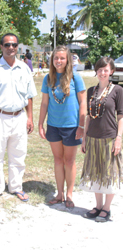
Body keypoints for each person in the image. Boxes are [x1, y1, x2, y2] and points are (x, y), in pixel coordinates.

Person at [0, 33, 37, 202]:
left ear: (17, 47)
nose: (11, 47)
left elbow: (29, 96)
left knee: (18, 154)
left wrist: (30, 118)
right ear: (1, 47)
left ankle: (16, 187)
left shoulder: (24, 68)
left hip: (19, 117)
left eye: (14, 45)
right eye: (7, 45)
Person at [38, 45, 86, 208]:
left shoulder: (75, 78)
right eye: (56, 58)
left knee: (69, 161)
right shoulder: (48, 78)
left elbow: (83, 102)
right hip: (53, 126)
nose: (59, 61)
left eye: (62, 58)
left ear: (67, 60)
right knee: (58, 160)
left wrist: (81, 125)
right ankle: (59, 193)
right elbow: (44, 103)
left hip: (72, 126)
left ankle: (69, 194)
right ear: (52, 60)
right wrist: (40, 124)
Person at [80, 57, 123, 222]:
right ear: (96, 71)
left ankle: (107, 208)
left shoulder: (117, 90)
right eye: (100, 69)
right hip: (93, 138)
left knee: (109, 173)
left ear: (111, 71)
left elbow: (121, 116)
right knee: (96, 173)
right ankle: (98, 206)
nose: (102, 73)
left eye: (106, 70)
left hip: (109, 138)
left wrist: (119, 138)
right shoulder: (91, 91)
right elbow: (89, 117)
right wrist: (84, 139)